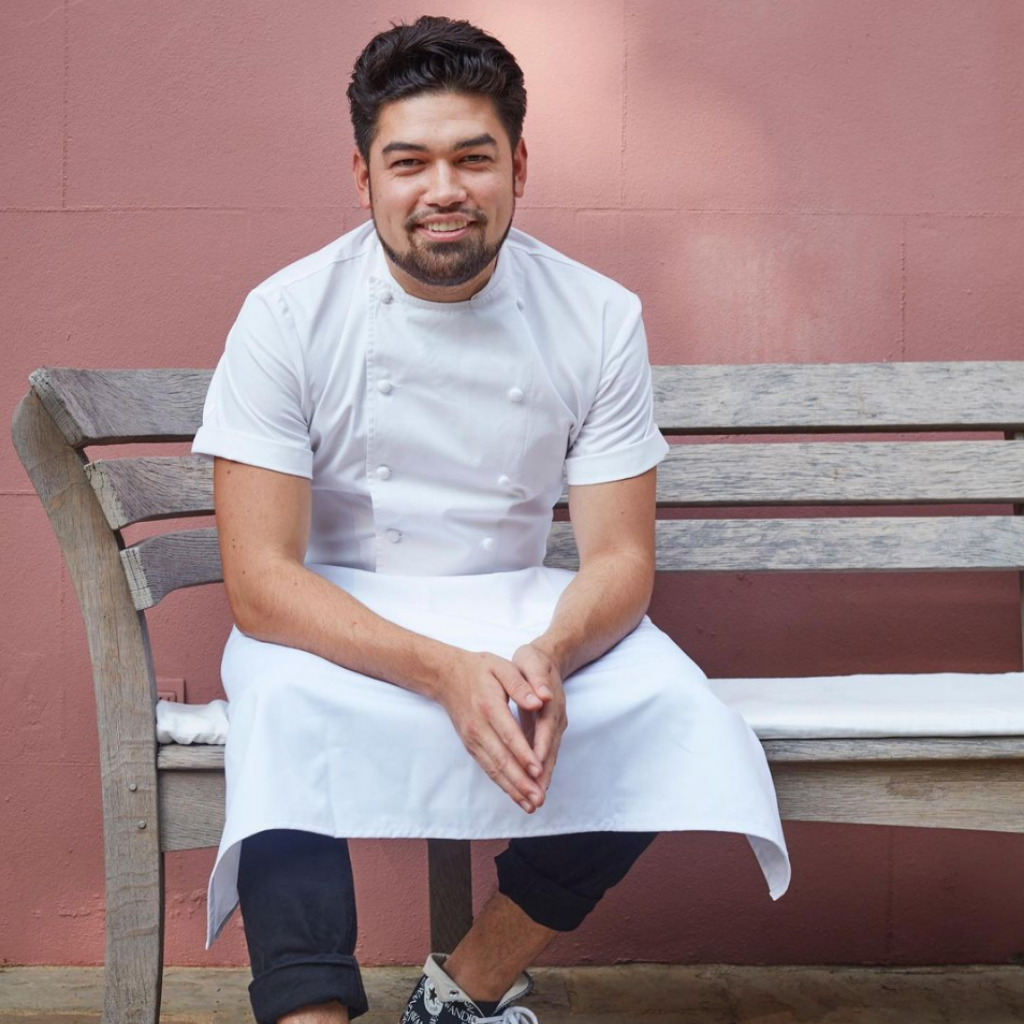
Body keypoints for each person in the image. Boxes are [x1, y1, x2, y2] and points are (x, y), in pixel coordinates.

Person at [191, 15, 791, 1024]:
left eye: (472, 158)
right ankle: (308, 1013)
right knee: (283, 708)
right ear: (362, 175)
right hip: (327, 613)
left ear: (517, 163)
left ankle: (463, 990)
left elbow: (618, 558)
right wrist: (439, 668)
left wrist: (549, 649)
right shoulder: (287, 316)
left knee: (671, 709)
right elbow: (259, 581)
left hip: (515, 607)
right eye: (409, 161)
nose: (443, 190)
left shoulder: (596, 316)